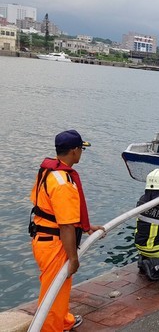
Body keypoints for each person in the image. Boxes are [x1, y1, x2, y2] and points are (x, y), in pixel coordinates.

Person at [29, 129, 104, 331]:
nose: (81, 153)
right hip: (54, 243)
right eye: (81, 149)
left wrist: (87, 228)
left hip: (44, 238)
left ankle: (64, 320)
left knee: (59, 287)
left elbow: (53, 212)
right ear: (74, 151)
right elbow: (65, 225)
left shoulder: (49, 171)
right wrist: (73, 258)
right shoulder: (63, 183)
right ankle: (51, 328)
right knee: (54, 291)